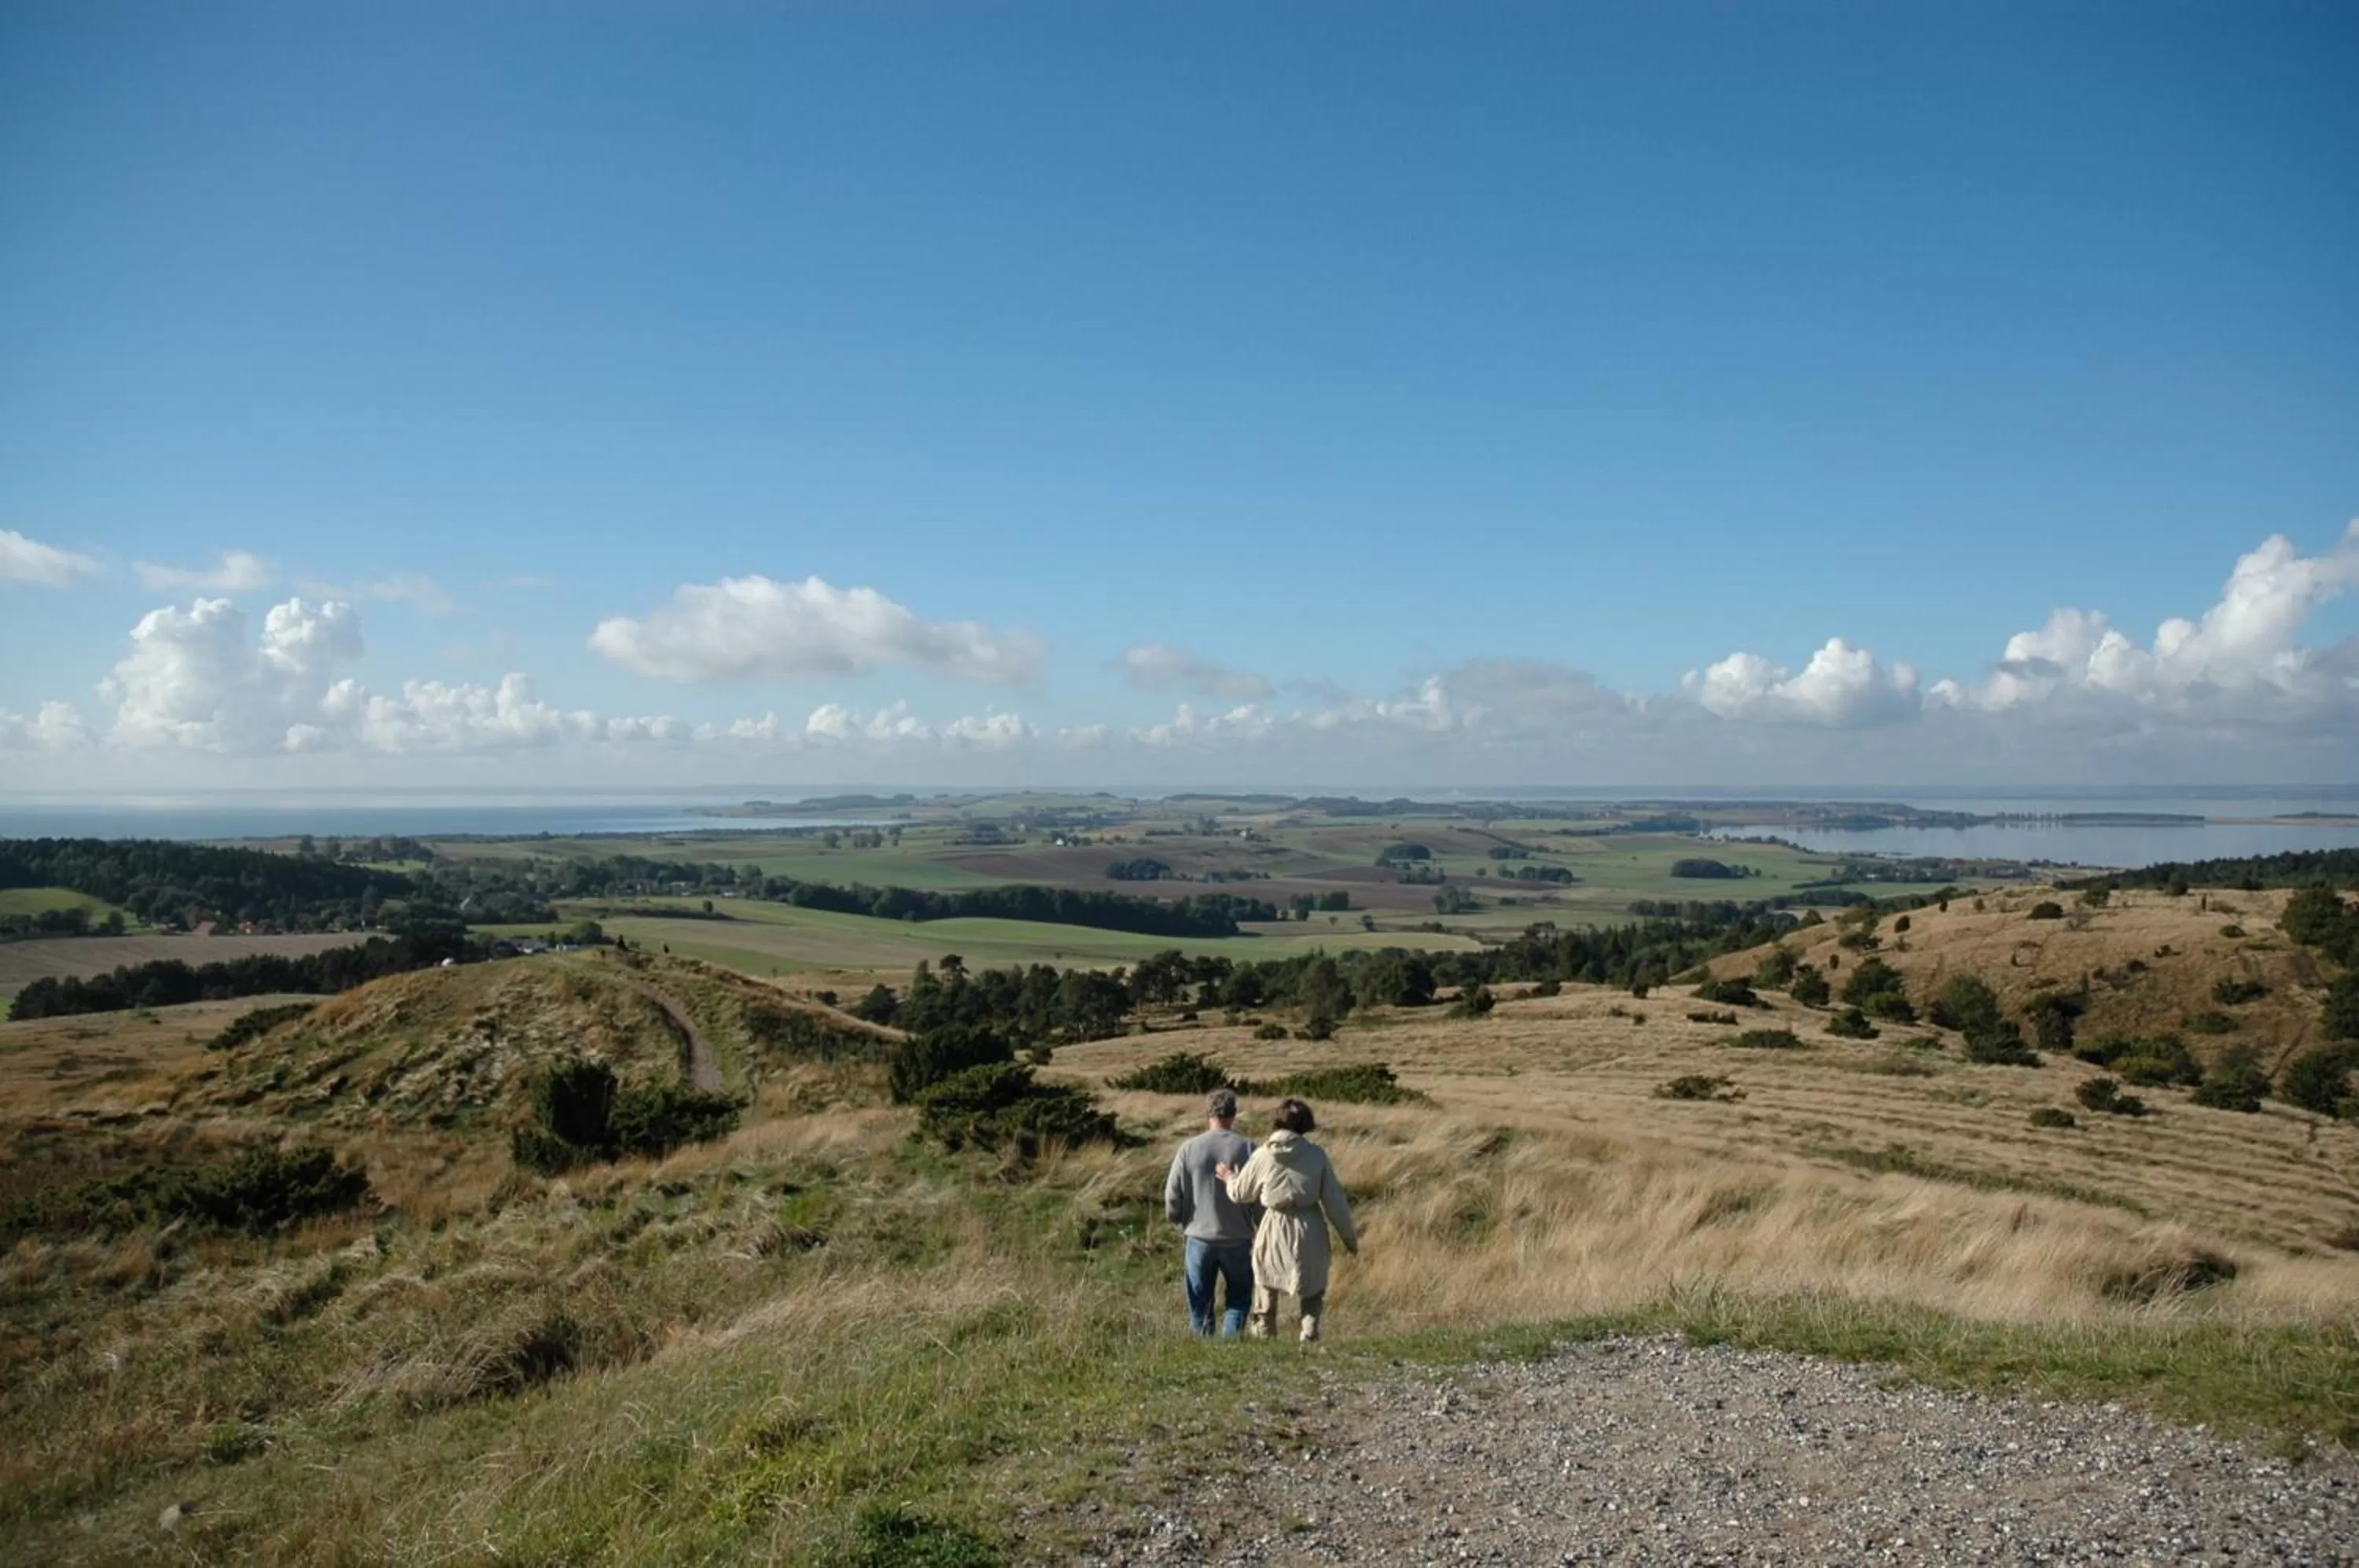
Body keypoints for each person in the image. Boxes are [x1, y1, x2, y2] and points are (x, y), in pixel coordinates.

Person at [1216, 1097, 1359, 1342]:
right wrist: (1350, 1239)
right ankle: (1309, 1335)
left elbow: (1241, 1193)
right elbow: (1335, 1202)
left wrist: (1230, 1178)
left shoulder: (1263, 1155)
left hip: (1273, 1225)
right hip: (1309, 1226)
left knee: (1265, 1281)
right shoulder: (1316, 1155)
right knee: (1312, 1286)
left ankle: (1265, 1337)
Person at [1163, 1087, 1259, 1337]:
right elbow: (1259, 1195)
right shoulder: (1249, 1148)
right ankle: (1231, 1351)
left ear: (1208, 1113)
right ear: (1234, 1114)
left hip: (1199, 1237)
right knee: (1238, 1301)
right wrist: (1259, 1224)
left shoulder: (1189, 1148)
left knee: (1200, 1305)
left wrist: (1176, 1217)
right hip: (1237, 1237)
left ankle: (1205, 1355)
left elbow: (1172, 1194)